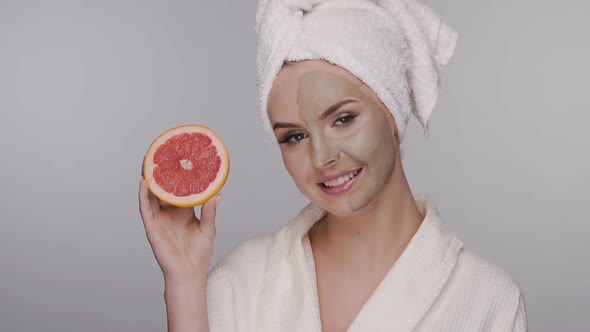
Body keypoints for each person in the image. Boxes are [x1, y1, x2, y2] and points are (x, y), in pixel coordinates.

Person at [138, 0, 528, 331]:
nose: (321, 157)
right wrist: (185, 283)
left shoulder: (486, 297)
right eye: (294, 137)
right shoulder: (243, 280)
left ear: (393, 110)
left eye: (342, 119)